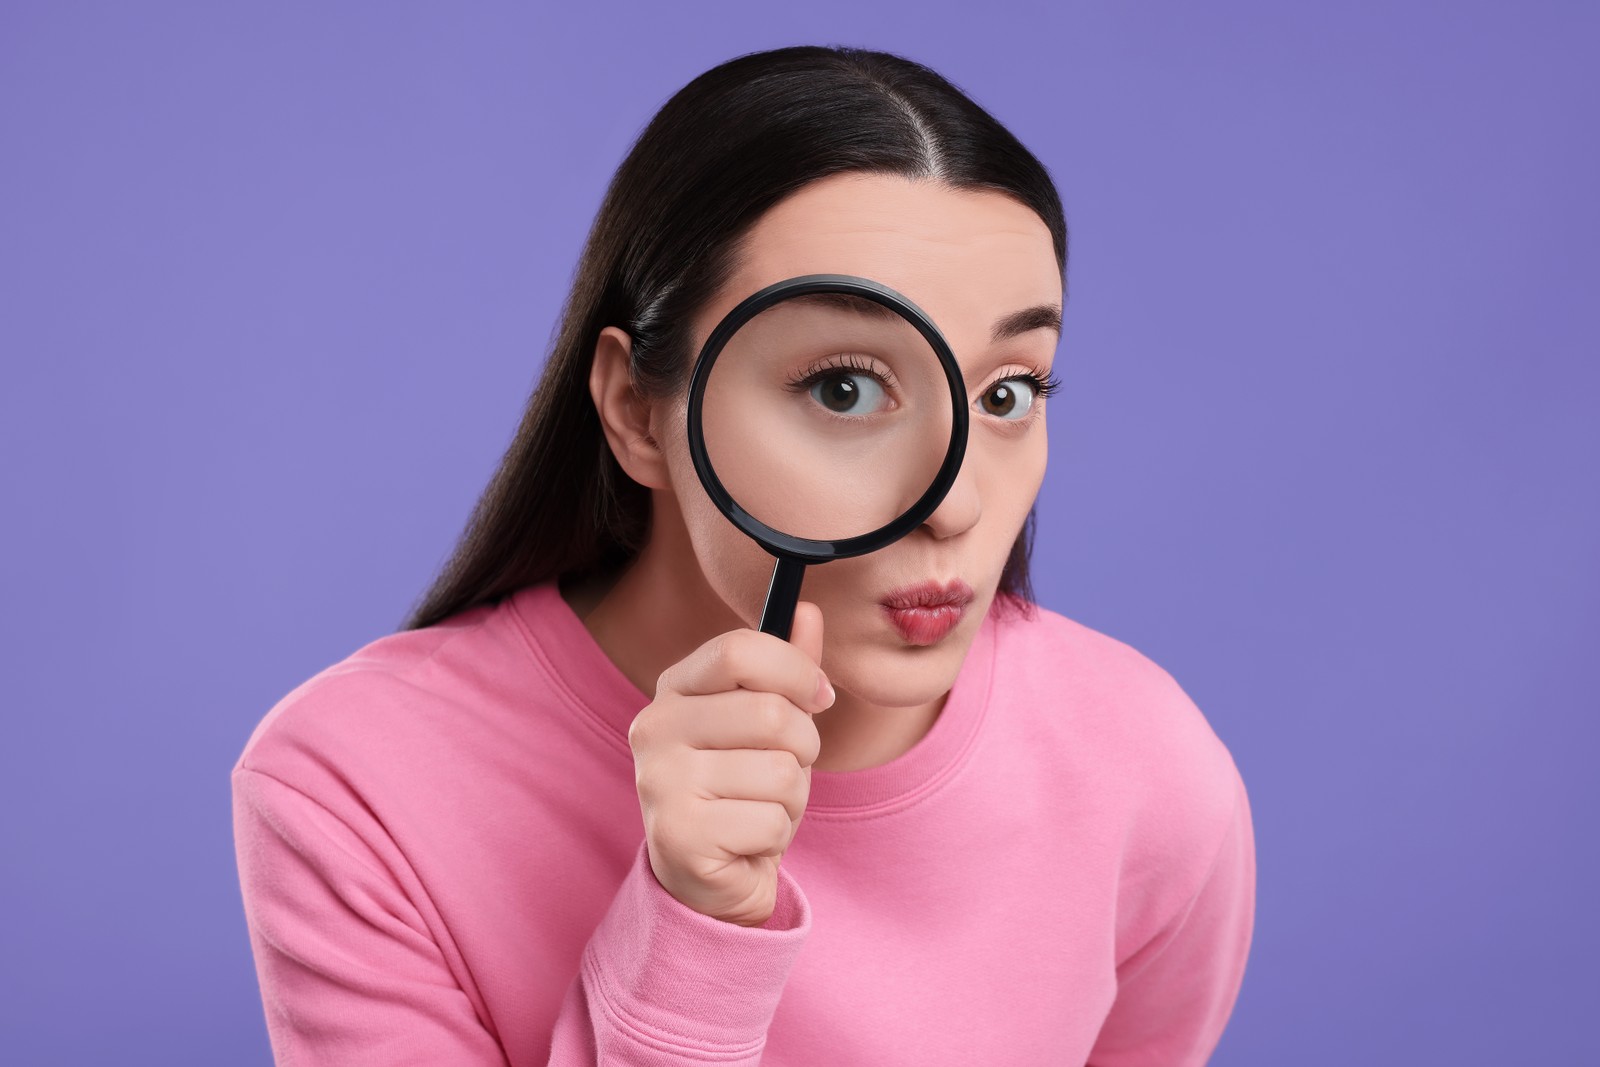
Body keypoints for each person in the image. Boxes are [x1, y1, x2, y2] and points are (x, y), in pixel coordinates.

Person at [231, 45, 1255, 1066]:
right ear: (637, 409)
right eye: (844, 388)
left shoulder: (1145, 770)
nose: (955, 503)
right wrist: (690, 928)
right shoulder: (357, 785)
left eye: (1006, 393)